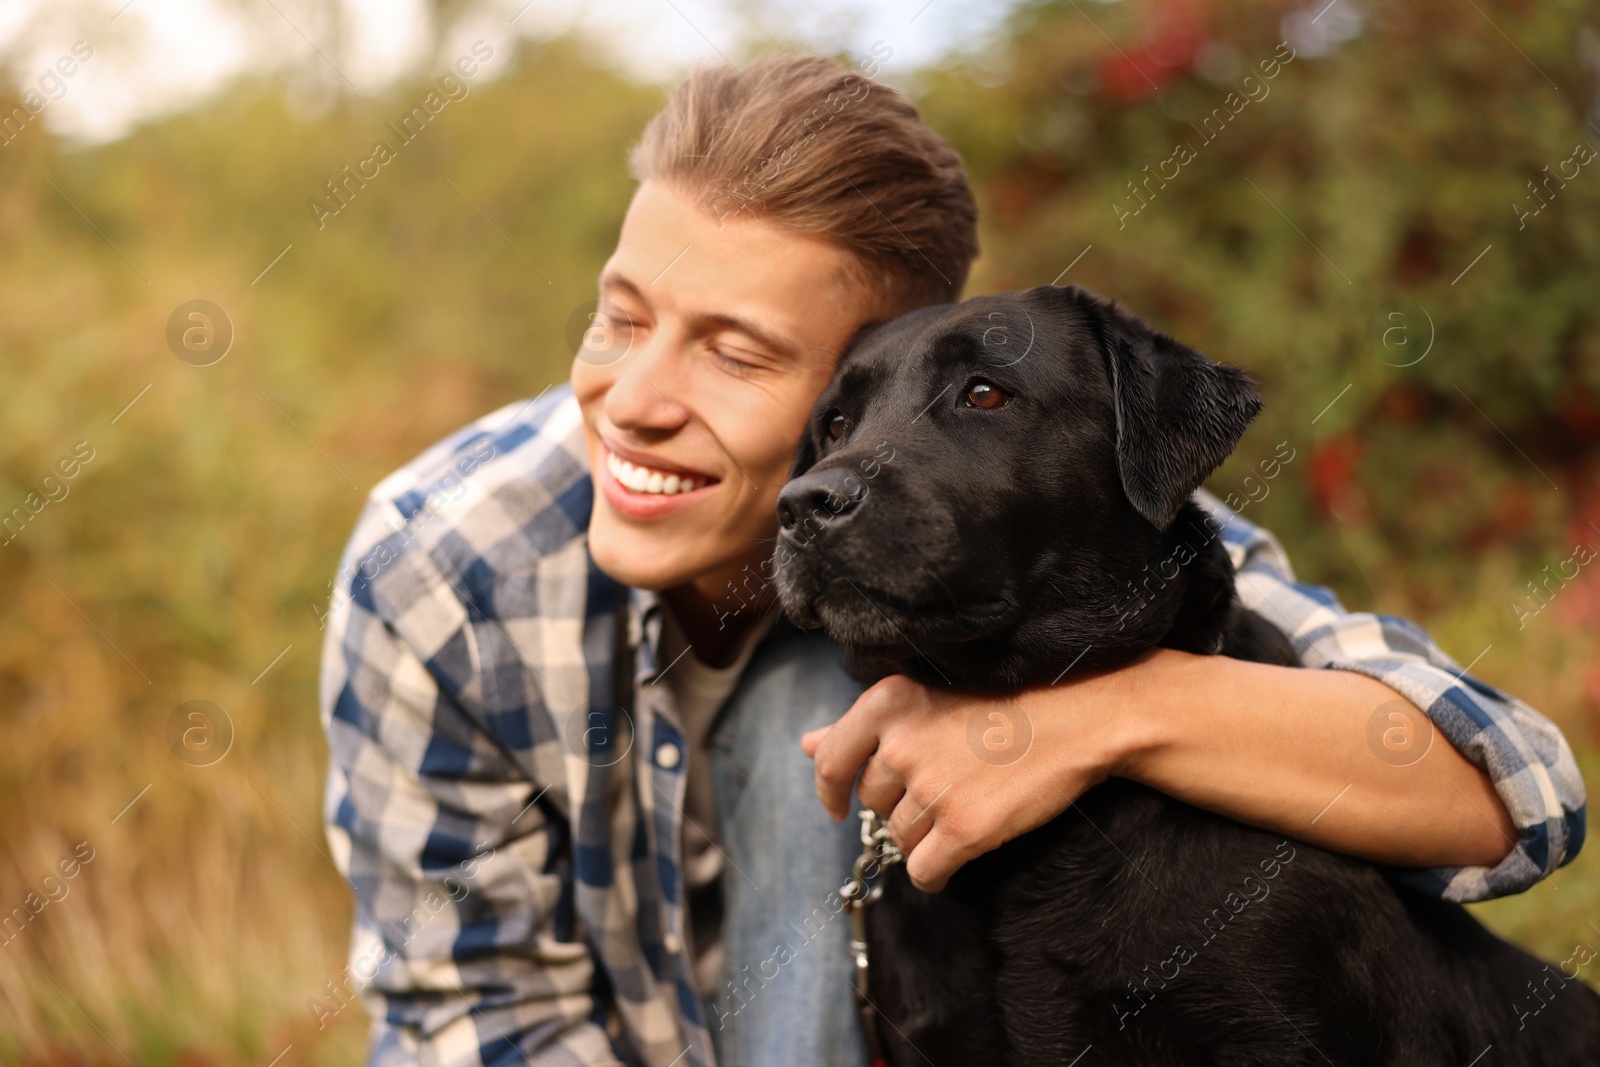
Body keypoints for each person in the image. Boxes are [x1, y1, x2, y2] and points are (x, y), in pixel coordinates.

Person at [318, 53, 1586, 1067]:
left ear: (874, 369)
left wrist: (1100, 717)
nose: (633, 398)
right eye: (622, 315)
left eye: (736, 351)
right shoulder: (442, 564)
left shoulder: (1046, 516)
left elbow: (1518, 787)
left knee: (807, 704)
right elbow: (470, 1008)